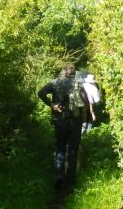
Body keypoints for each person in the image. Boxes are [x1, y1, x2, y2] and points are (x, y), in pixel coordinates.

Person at [37, 63, 88, 191]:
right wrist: (84, 120)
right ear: (74, 72)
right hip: (75, 121)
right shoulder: (79, 83)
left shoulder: (55, 83)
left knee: (60, 148)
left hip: (59, 120)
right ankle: (70, 182)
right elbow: (85, 103)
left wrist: (52, 105)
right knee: (73, 151)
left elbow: (41, 93)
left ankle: (59, 175)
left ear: (63, 71)